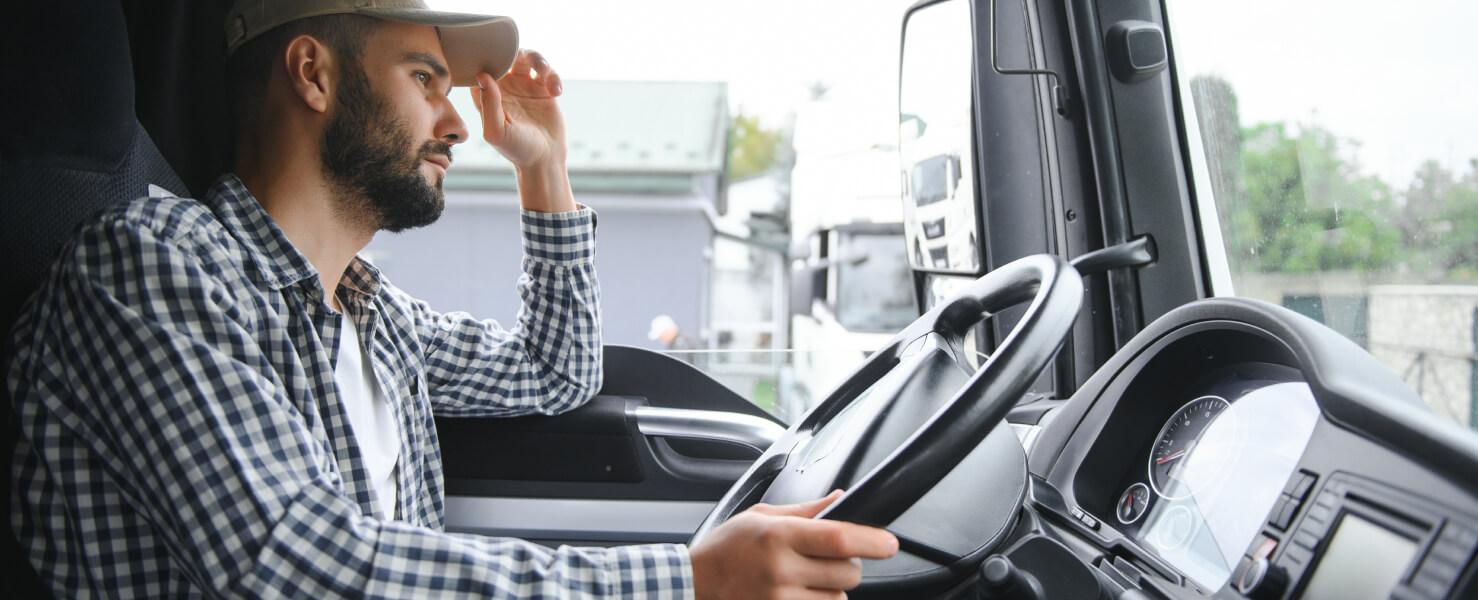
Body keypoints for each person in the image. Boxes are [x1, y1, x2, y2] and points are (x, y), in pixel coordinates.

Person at [6, 0, 897, 597]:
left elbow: (555, 372)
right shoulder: (150, 268)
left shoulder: (373, 314)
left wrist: (544, 170)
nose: (459, 122)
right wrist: (685, 581)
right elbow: (290, 563)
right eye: (425, 79)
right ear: (312, 74)